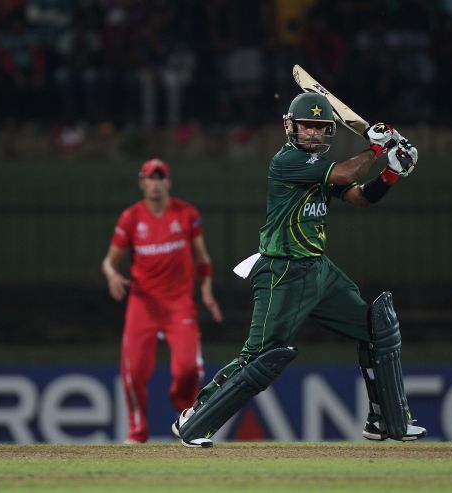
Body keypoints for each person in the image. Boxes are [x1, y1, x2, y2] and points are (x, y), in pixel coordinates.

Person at [171, 92, 426, 448]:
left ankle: (384, 421)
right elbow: (346, 171)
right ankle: (195, 418)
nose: (314, 134)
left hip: (318, 270)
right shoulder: (288, 161)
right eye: (308, 126)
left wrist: (391, 173)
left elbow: (360, 198)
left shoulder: (319, 169)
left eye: (322, 128)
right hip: (283, 271)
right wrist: (377, 147)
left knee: (376, 329)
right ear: (290, 127)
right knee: (259, 358)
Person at [102, 158, 223, 444]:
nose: (155, 184)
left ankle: (186, 417)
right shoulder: (131, 218)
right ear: (142, 183)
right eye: (149, 178)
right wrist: (111, 277)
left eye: (160, 178)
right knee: (133, 373)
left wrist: (206, 291)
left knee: (187, 369)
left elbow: (203, 259)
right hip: (142, 305)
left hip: (179, 303)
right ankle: (137, 433)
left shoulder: (187, 214)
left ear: (168, 182)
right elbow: (109, 261)